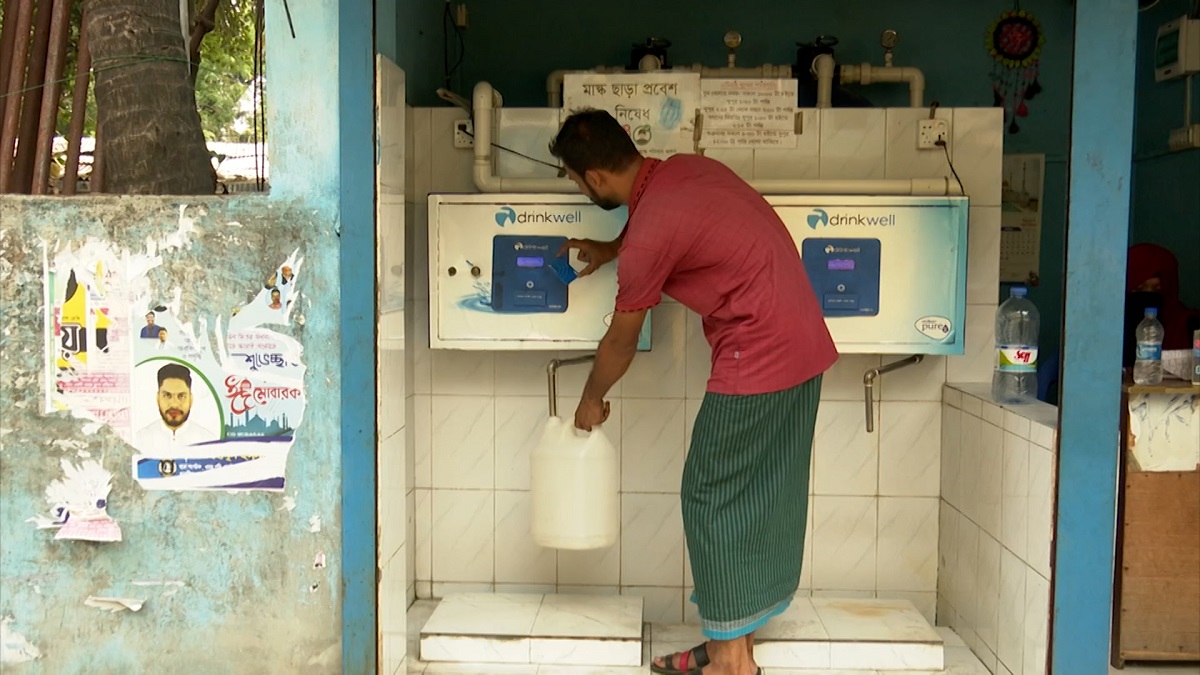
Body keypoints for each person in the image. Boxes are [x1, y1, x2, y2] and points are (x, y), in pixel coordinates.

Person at [549, 109, 838, 675]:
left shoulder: (649, 236)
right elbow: (663, 225)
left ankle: (730, 662)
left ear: (595, 178)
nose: (582, 190)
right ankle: (736, 645)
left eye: (577, 182)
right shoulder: (683, 172)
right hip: (804, 345)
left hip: (758, 354)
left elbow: (620, 342)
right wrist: (611, 249)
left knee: (709, 495)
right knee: (759, 496)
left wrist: (589, 400)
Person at [1123, 243, 1200, 368]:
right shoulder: (1109, 327)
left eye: (1158, 291)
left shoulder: (1192, 326)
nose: (1148, 296)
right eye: (1138, 289)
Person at [134, 363, 218, 453]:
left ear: (191, 399)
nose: (174, 404)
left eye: (181, 396)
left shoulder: (209, 442)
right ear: (158, 398)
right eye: (167, 395)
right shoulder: (139, 441)